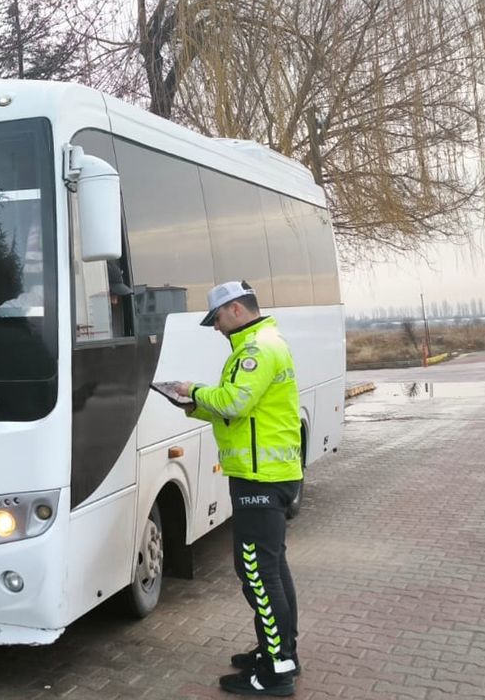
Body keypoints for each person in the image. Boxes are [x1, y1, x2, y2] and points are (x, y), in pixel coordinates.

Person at [170, 281, 304, 696]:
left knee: (257, 574)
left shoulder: (256, 350)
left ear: (234, 310)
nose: (215, 329)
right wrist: (195, 408)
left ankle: (275, 674)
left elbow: (233, 404)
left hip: (260, 479)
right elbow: (238, 416)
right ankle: (280, 652)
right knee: (273, 568)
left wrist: (192, 390)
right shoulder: (262, 342)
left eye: (216, 320)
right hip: (268, 474)